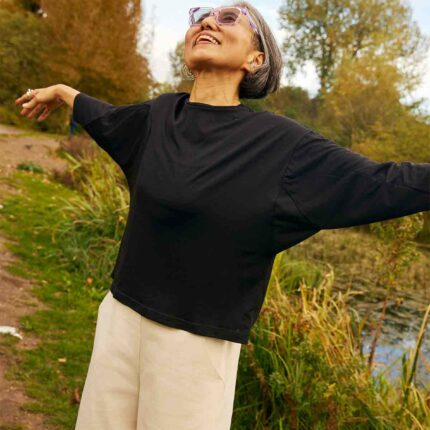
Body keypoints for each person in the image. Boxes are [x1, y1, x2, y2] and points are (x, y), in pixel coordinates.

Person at [15, 2, 430, 429]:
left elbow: (382, 181)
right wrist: (65, 93)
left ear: (256, 59)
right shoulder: (159, 116)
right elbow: (106, 118)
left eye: (230, 18)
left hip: (195, 349)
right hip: (119, 319)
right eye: (201, 17)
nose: (209, 21)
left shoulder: (281, 147)